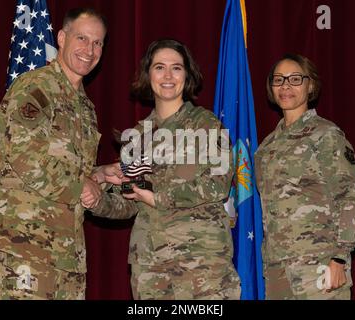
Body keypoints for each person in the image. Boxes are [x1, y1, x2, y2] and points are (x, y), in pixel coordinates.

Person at [89, 39, 241, 300]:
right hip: (150, 267)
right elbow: (128, 204)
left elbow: (219, 183)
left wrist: (157, 196)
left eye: (177, 68)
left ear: (187, 74)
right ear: (148, 75)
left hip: (201, 265)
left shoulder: (206, 124)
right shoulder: (136, 136)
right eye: (159, 67)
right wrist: (95, 196)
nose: (168, 76)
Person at [0, 8, 115, 300]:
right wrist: (81, 185)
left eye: (98, 43)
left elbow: (74, 175)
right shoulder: (35, 88)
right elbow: (25, 158)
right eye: (82, 38)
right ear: (61, 38)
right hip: (27, 251)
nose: (89, 50)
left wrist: (102, 175)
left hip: (67, 256)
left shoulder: (85, 108)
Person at [254, 53, 355, 300]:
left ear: (310, 85)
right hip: (277, 271)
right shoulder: (266, 148)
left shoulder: (326, 135)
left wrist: (339, 257)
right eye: (279, 80)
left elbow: (350, 197)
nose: (286, 86)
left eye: (295, 79)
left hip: (320, 266)